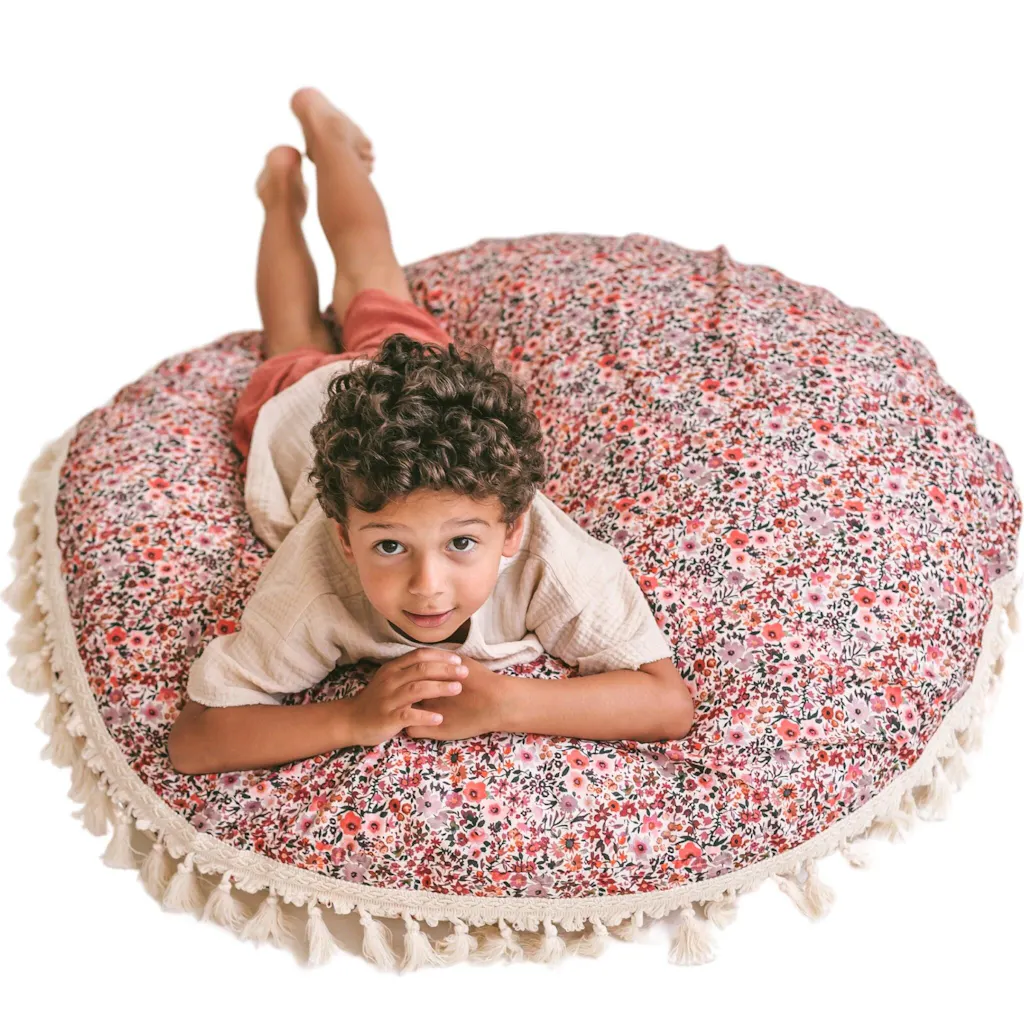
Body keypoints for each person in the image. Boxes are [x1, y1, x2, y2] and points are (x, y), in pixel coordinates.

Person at [168, 87, 693, 776]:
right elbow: (196, 739)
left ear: (512, 529)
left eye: (462, 543)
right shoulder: (313, 588)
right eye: (389, 545)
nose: (427, 586)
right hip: (305, 407)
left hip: (410, 381)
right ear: (344, 538)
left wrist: (507, 702)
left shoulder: (550, 559)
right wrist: (352, 718)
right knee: (291, 333)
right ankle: (280, 196)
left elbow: (667, 703)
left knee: (368, 270)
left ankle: (328, 139)